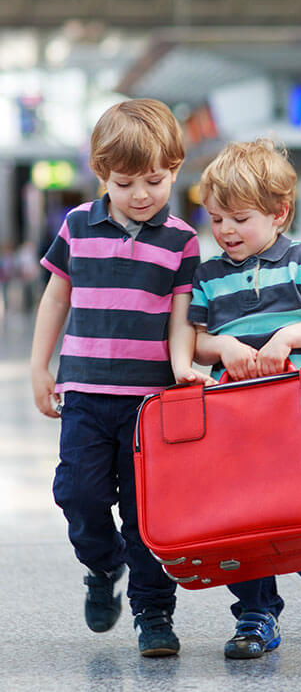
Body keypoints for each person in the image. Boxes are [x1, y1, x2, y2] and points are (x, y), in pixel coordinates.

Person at [29, 98, 205, 657]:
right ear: (100, 172)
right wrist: (40, 367)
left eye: (155, 180)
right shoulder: (78, 224)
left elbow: (181, 316)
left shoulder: (182, 240)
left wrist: (184, 372)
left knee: (146, 513)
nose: (141, 195)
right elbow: (57, 296)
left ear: (175, 169)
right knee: (77, 493)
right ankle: (103, 568)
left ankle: (154, 616)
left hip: (150, 403)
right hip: (84, 392)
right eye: (125, 182)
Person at [170, 138, 301, 660]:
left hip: (298, 418)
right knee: (241, 519)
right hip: (235, 422)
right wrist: (223, 345)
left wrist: (287, 339)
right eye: (216, 218)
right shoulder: (207, 275)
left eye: (239, 219)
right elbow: (195, 337)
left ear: (280, 213)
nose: (225, 230)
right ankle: (256, 613)